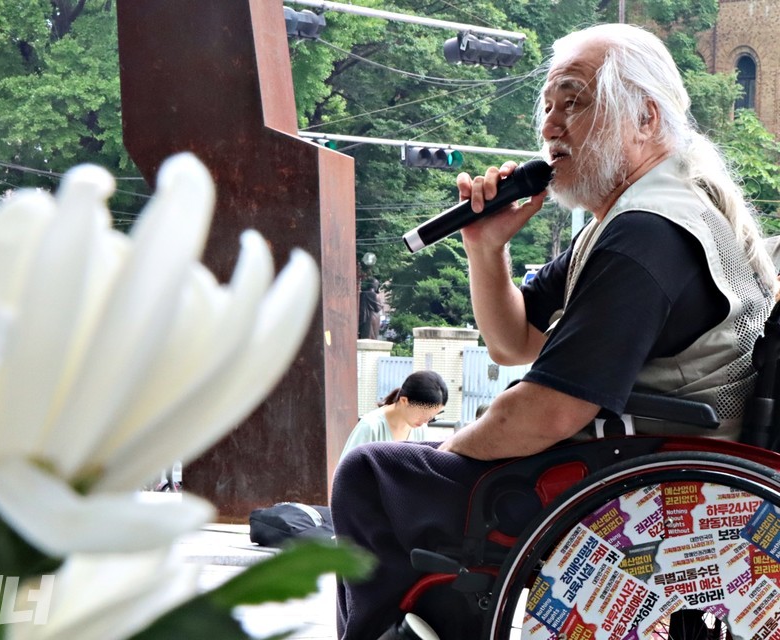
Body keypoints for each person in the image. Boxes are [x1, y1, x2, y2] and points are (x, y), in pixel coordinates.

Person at [331, 23, 777, 640]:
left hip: (642, 493)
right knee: (407, 475)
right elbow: (513, 342)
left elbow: (548, 411)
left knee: (373, 475)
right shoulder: (628, 219)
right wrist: (486, 249)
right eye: (546, 106)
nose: (548, 127)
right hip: (633, 471)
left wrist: (445, 454)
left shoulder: (647, 234)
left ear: (645, 118)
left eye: (573, 101)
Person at [340, 370, 448, 461]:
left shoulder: (421, 430)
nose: (425, 421)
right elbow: (344, 471)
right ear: (404, 400)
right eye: (423, 414)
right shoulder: (370, 426)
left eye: (431, 418)